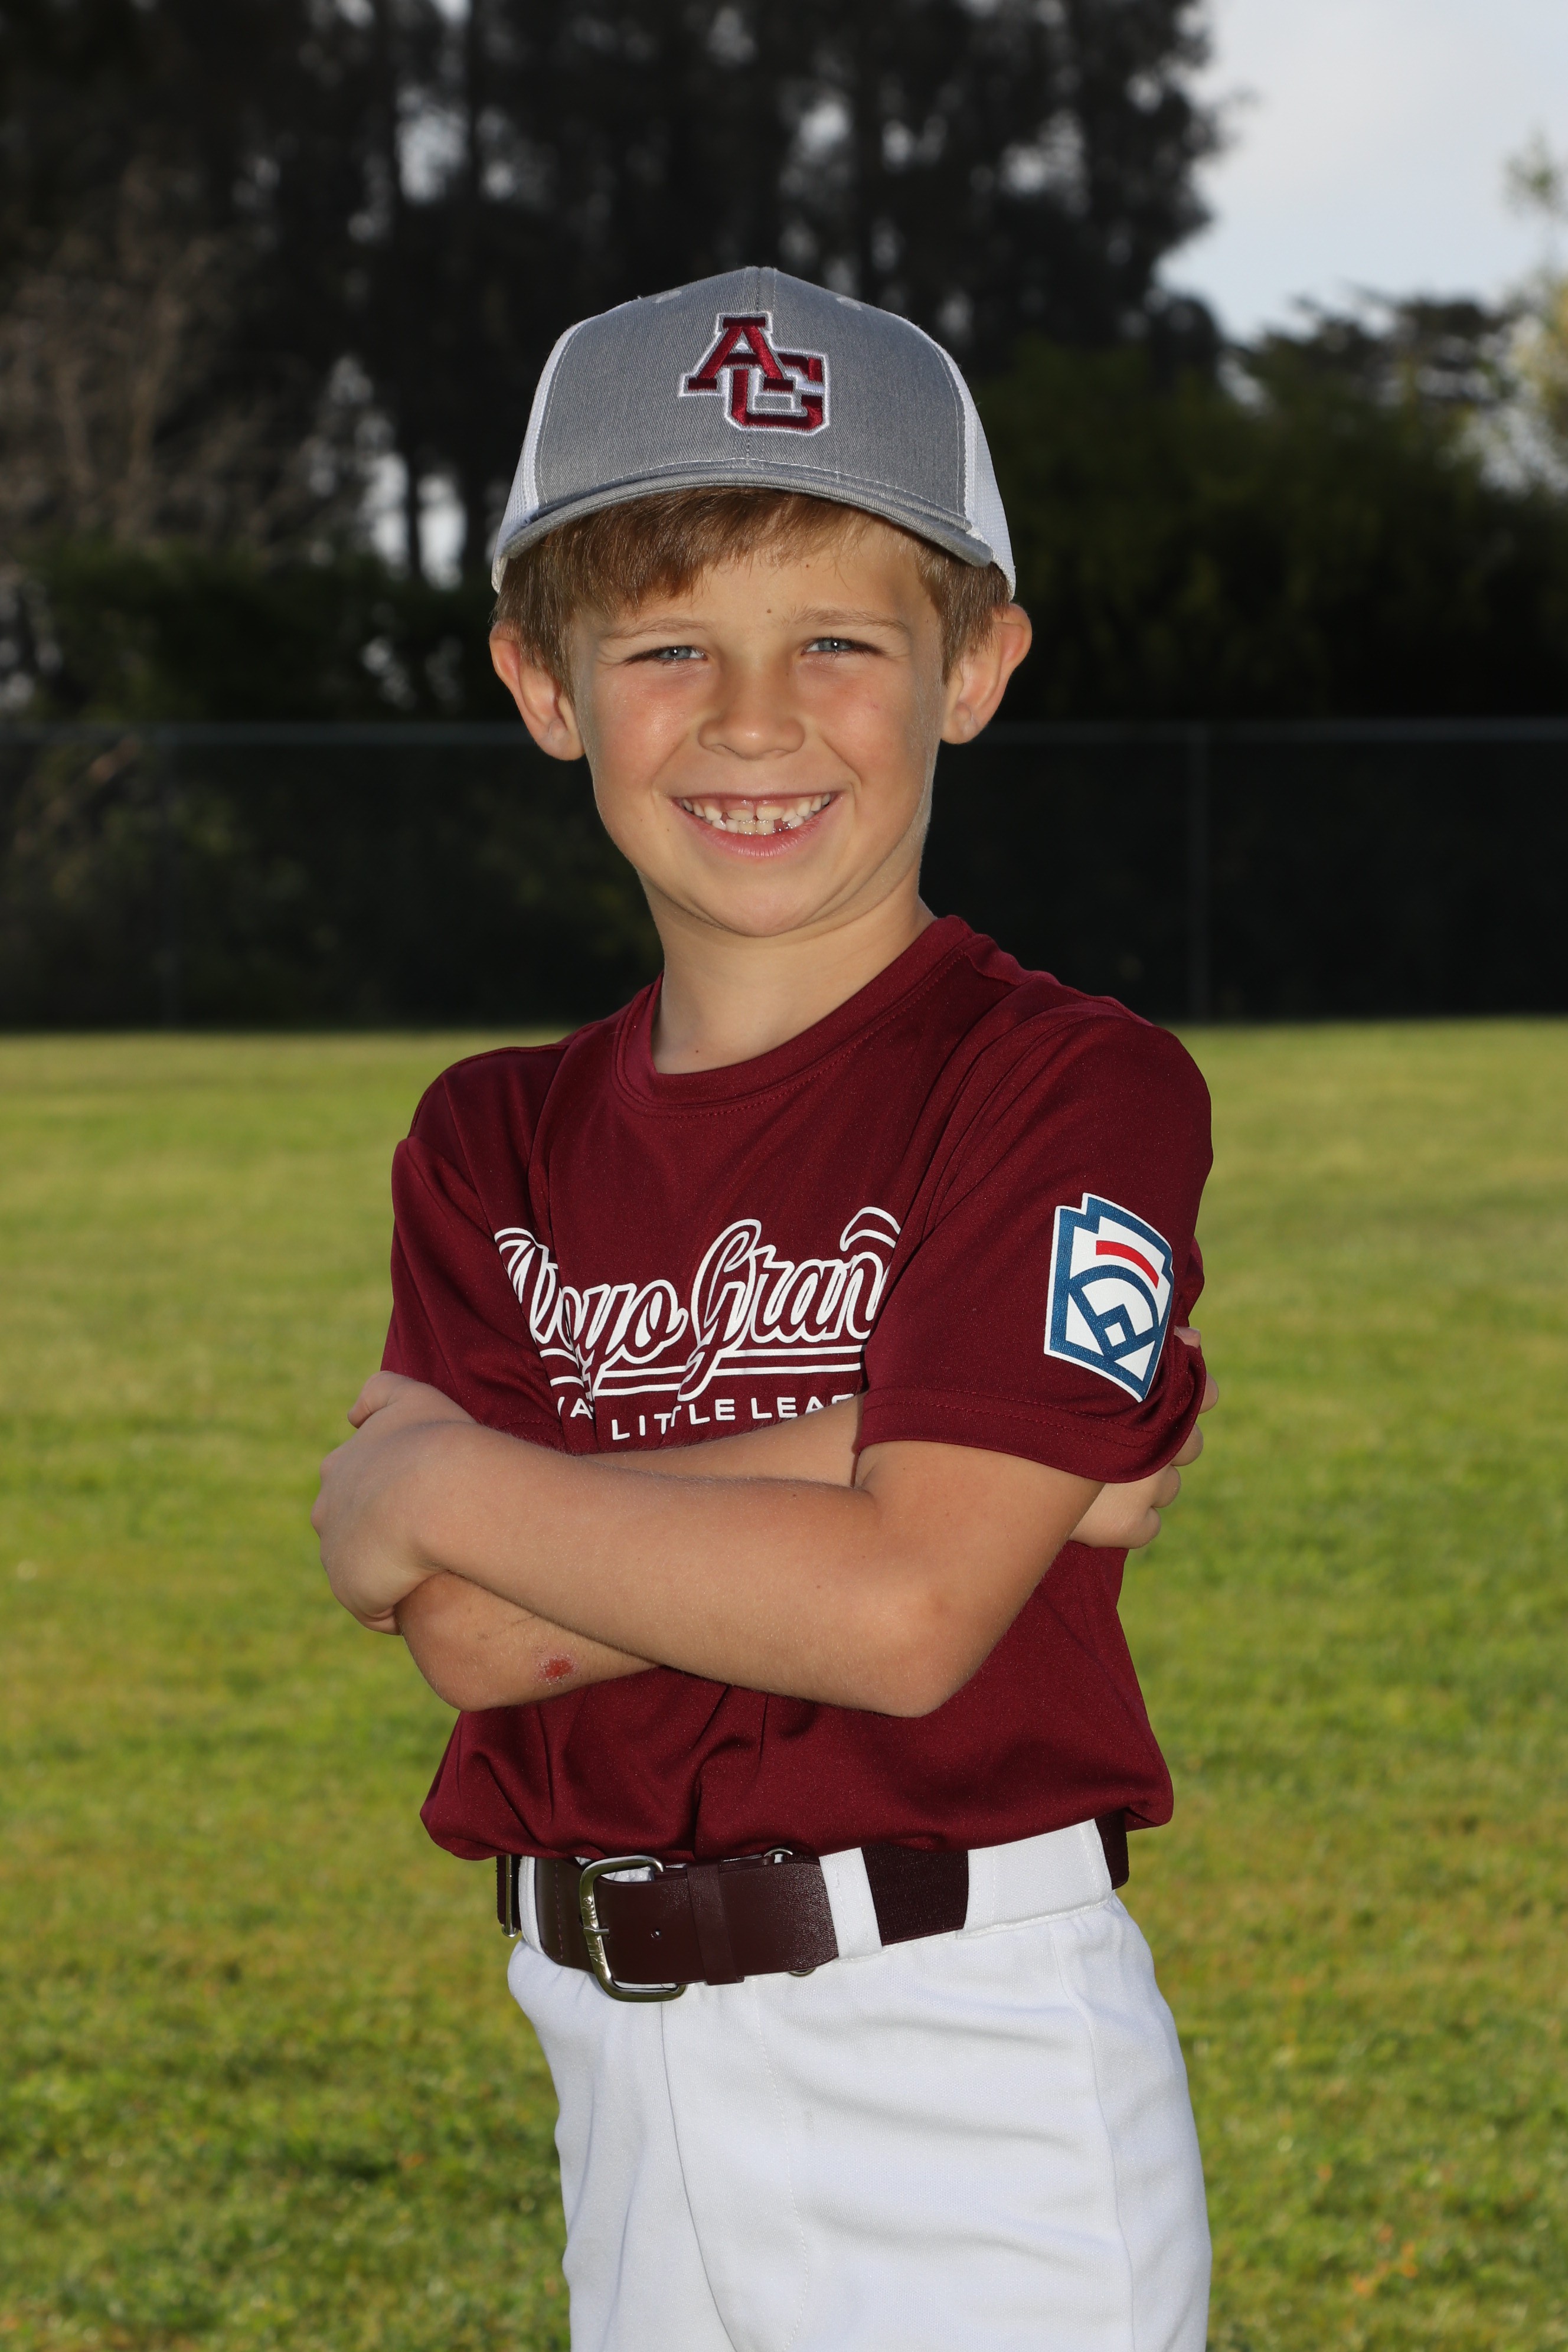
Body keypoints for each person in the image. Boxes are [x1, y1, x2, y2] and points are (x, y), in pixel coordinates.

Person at [313, 266, 1218, 2352]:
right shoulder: (490, 1137)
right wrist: (918, 1449)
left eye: (837, 640)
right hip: (613, 2073)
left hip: (967, 2069)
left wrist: (440, 1483)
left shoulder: (1068, 1085)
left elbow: (903, 1613)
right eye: (665, 645)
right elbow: (474, 1641)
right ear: (542, 684)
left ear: (973, 666)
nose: (751, 719)